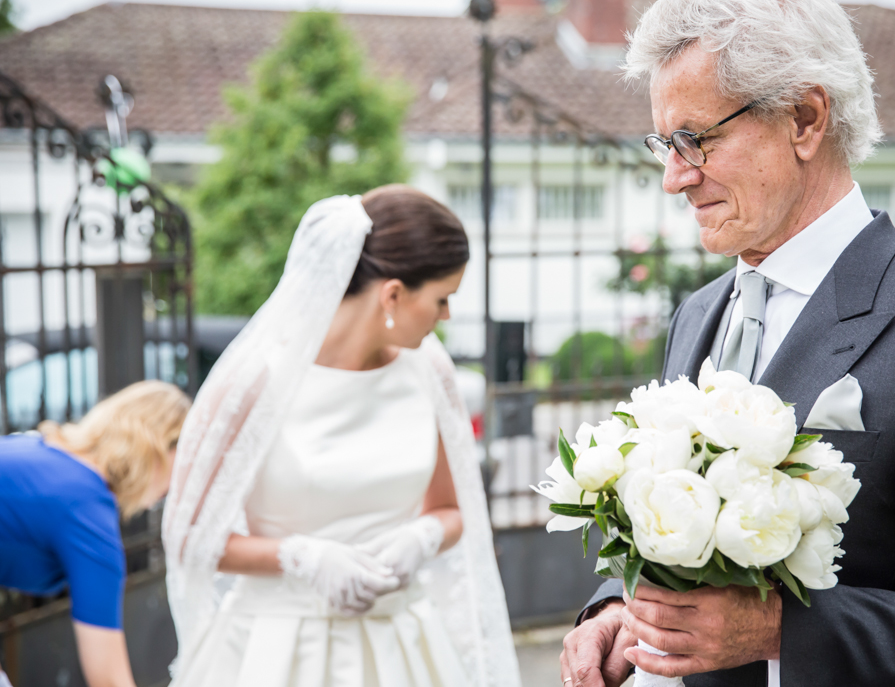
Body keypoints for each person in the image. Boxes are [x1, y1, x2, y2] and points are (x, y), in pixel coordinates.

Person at [561, 0, 895, 686]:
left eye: (693, 139)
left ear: (803, 118)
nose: (673, 177)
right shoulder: (698, 313)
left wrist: (783, 631)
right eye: (662, 142)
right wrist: (619, 606)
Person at [163, 185, 521, 686]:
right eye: (442, 299)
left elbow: (452, 509)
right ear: (392, 294)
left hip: (402, 647)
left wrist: (422, 537)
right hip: (275, 651)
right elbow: (190, 538)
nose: (446, 317)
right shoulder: (257, 382)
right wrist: (302, 558)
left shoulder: (430, 372)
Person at [0, 381, 190, 687]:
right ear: (158, 447)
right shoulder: (87, 513)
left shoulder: (39, 448)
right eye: (183, 464)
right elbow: (109, 679)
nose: (178, 485)